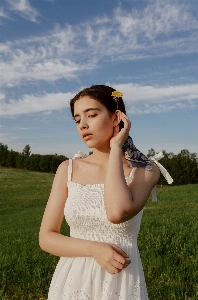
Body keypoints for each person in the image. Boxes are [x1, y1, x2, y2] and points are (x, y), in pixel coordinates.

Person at [39, 85, 168, 299]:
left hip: (121, 281)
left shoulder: (145, 170)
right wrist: (94, 249)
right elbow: (46, 237)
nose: (83, 125)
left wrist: (117, 148)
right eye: (77, 119)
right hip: (72, 281)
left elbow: (116, 213)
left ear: (117, 117)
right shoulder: (68, 169)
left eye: (91, 115)